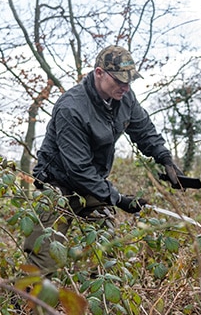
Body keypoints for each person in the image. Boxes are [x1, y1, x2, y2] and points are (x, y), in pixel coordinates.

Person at [23, 45, 183, 273]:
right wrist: (118, 199)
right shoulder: (71, 108)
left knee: (105, 249)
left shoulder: (125, 98)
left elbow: (143, 129)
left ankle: (93, 300)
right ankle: (27, 306)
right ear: (99, 73)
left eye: (129, 82)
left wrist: (165, 159)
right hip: (57, 185)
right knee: (43, 259)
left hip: (93, 183)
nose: (125, 87)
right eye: (119, 81)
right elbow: (77, 169)